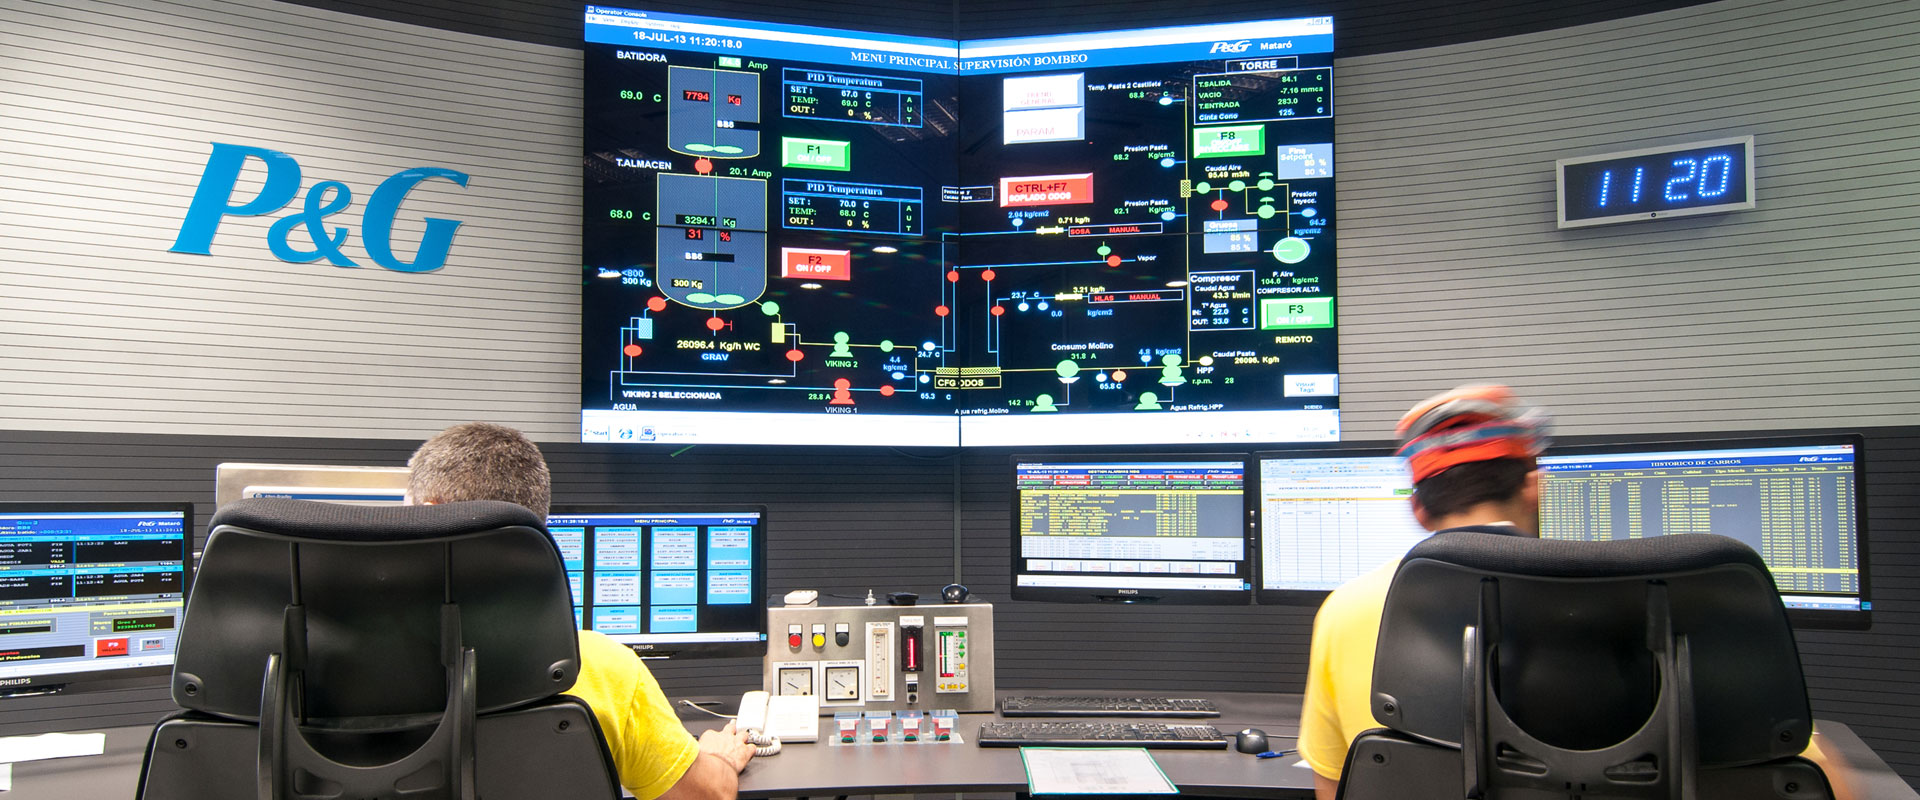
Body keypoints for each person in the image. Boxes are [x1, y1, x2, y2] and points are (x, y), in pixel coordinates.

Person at [406, 422, 755, 800]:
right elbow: (709, 794)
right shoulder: (601, 666)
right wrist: (718, 758)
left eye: (403, 510)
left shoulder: (359, 660)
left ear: (429, 518)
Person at [1297, 385, 1551, 800]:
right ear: (1533, 488)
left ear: (1418, 510)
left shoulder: (1345, 609)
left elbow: (1333, 786)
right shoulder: (1608, 599)